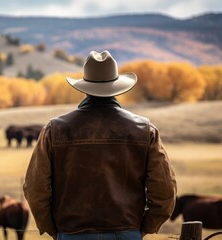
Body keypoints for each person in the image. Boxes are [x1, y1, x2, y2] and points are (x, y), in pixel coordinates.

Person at [23, 50, 177, 240]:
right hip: (127, 233)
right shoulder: (145, 130)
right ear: (117, 86)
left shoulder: (55, 130)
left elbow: (34, 189)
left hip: (72, 233)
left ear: (85, 87)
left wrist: (54, 230)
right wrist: (142, 229)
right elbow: (165, 191)